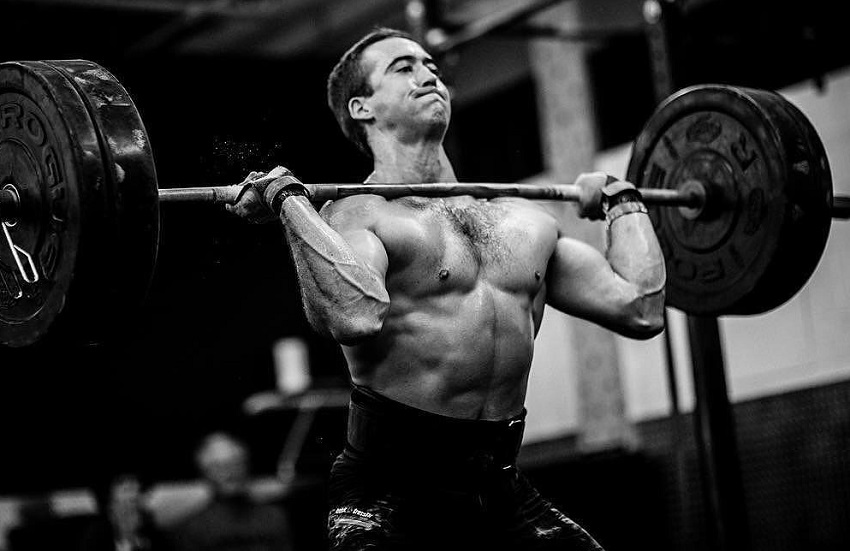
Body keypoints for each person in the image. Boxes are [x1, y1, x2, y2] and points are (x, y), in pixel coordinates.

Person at [228, 27, 665, 551]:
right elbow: (352, 315)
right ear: (362, 108)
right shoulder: (358, 215)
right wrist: (290, 205)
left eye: (430, 64)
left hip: (497, 483)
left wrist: (624, 202)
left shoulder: (521, 219)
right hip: (388, 491)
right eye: (403, 67)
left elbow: (640, 309)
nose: (428, 73)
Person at [168, 432, 293, 551]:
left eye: (235, 464)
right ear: (205, 471)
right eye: (220, 466)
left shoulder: (273, 516)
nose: (229, 473)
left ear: (246, 465)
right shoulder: (191, 522)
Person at [78, 472, 172, 551]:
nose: (133, 496)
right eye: (126, 490)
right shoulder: (97, 532)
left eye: (138, 490)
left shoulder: (151, 528)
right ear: (111, 499)